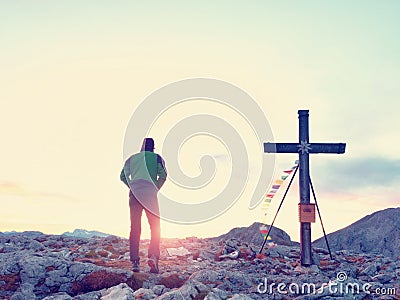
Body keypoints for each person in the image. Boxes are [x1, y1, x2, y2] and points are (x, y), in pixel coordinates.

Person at [120, 138, 167, 273]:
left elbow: (122, 176)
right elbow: (163, 175)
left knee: (135, 228)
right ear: (153, 148)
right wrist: (155, 188)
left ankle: (135, 262)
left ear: (141, 146)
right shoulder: (157, 158)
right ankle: (153, 257)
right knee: (155, 226)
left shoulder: (132, 159)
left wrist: (133, 187)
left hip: (134, 195)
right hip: (150, 194)